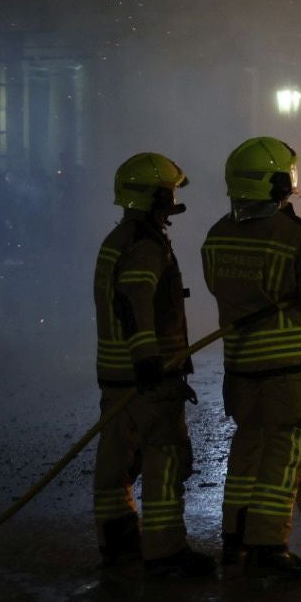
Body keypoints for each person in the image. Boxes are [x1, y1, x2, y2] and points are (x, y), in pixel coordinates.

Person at [202, 137, 301, 580]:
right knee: (284, 456)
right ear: (277, 182)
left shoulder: (217, 234)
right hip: (287, 368)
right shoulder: (295, 234)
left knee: (247, 446)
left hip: (240, 366)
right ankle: (269, 547)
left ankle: (235, 538)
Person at [92, 153, 215, 578]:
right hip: (147, 379)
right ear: (157, 195)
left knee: (114, 462)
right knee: (164, 460)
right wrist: (148, 358)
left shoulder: (119, 239)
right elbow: (135, 300)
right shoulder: (146, 245)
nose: (174, 197)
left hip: (115, 377)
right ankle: (165, 553)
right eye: (170, 190)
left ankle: (119, 542)